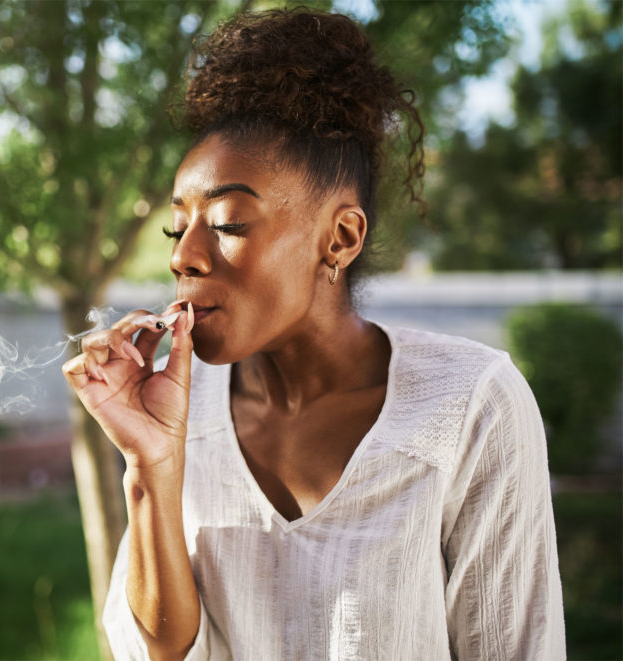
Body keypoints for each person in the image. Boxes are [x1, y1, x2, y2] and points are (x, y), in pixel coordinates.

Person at [62, 8, 565, 660]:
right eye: (176, 227)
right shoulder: (183, 410)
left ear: (341, 237)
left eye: (229, 222)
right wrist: (151, 467)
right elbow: (163, 652)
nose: (182, 255)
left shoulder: (470, 406)